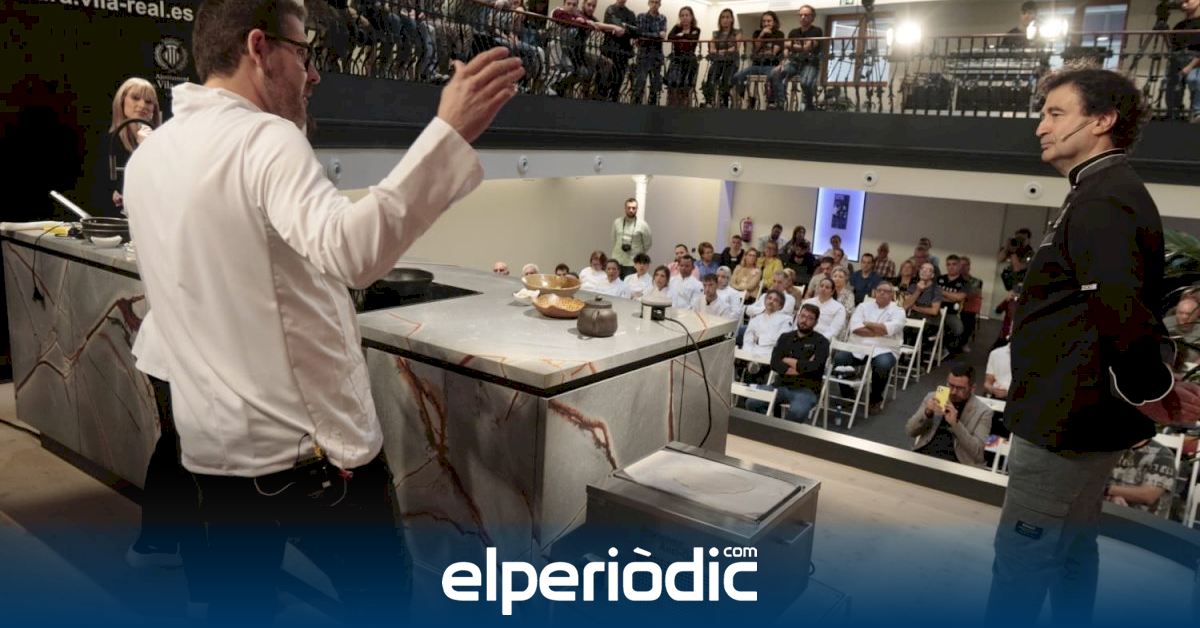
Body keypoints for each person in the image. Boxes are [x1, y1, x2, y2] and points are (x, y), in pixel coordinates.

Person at [122, 0, 524, 622]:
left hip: (212, 454)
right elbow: (352, 251)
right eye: (304, 53)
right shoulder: (264, 138)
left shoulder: (151, 156)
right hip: (312, 460)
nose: (313, 75)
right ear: (259, 48)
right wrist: (448, 133)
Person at [985, 67, 1200, 627]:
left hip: (1066, 419)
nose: (1041, 126)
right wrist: (1151, 388)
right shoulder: (1100, 192)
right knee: (1073, 549)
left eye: (1056, 114)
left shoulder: (1106, 199)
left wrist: (1152, 389)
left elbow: (1120, 307)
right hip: (1079, 413)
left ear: (1103, 120)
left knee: (1022, 561)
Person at [746, 303, 829, 422]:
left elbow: (816, 367)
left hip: (806, 389)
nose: (804, 320)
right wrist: (802, 366)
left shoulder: (822, 342)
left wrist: (787, 359)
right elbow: (774, 363)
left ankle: (782, 431)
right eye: (803, 316)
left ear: (816, 322)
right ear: (798, 317)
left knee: (797, 412)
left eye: (810, 318)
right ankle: (774, 425)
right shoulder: (785, 337)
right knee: (752, 402)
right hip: (780, 385)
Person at [834, 282, 906, 412]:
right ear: (875, 292)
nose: (882, 293)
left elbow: (890, 329)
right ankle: (847, 395)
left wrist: (867, 324)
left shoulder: (898, 311)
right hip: (859, 346)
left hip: (885, 348)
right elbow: (855, 328)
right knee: (840, 358)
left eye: (886, 291)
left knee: (882, 364)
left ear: (892, 295)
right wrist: (879, 330)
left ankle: (876, 398)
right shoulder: (863, 306)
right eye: (879, 290)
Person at [905, 364, 992, 466]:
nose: (953, 392)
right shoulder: (933, 397)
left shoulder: (983, 412)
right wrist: (927, 413)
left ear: (972, 388)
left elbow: (978, 454)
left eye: (960, 388)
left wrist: (956, 425)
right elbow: (910, 431)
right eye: (950, 385)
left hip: (957, 463)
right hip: (925, 454)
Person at [107, 77, 162, 214]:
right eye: (136, 98)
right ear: (122, 100)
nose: (142, 105)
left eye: (148, 102)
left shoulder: (163, 142)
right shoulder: (109, 141)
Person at [1104, 439, 1178, 518]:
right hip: (1107, 513)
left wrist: (1107, 489)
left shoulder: (1163, 455)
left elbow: (1148, 495)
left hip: (1143, 520)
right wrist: (1111, 496)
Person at [1167, 0, 1200, 123]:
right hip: (1178, 58)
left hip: (1196, 58)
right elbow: (1173, 47)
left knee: (1195, 80)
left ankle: (1196, 113)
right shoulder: (1179, 25)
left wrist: (1190, 66)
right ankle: (1173, 113)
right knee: (1171, 84)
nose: (1184, 4)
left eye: (1187, 0)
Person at [610, 196, 651, 276]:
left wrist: (637, 252)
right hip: (617, 260)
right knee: (615, 283)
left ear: (637, 209)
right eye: (628, 208)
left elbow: (648, 243)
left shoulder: (643, 225)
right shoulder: (617, 222)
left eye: (633, 208)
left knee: (630, 283)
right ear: (625, 208)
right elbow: (613, 239)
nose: (631, 210)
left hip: (632, 263)